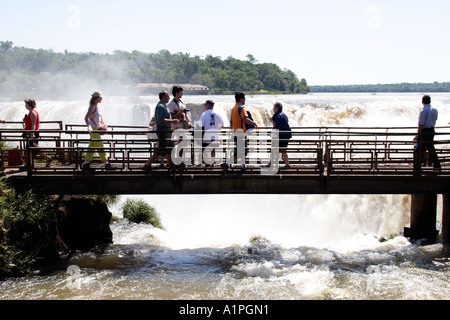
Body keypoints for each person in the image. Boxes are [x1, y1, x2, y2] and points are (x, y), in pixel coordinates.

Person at [143, 91, 180, 170]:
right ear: (163, 97)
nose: (169, 98)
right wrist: (172, 121)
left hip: (167, 130)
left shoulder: (164, 106)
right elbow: (160, 120)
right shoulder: (160, 106)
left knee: (169, 147)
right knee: (161, 149)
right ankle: (147, 164)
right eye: (167, 96)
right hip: (163, 130)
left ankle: (170, 165)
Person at [83, 91, 111, 170]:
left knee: (92, 146)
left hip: (95, 127)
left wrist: (102, 123)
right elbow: (86, 118)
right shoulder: (92, 106)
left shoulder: (95, 106)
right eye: (100, 97)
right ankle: (106, 162)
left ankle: (86, 162)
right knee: (99, 145)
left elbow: (96, 117)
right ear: (97, 98)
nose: (102, 98)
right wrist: (89, 127)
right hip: (93, 128)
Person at [230, 92, 258, 166]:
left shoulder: (233, 109)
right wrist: (253, 123)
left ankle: (230, 162)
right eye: (244, 98)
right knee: (243, 149)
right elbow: (245, 118)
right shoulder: (241, 108)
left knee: (238, 148)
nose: (245, 100)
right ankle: (243, 164)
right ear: (241, 99)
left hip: (235, 131)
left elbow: (231, 121)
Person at [23, 99, 53, 167]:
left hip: (32, 133)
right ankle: (28, 163)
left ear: (29, 105)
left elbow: (33, 124)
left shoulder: (33, 113)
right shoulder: (30, 112)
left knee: (34, 148)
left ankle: (48, 158)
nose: (25, 105)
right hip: (29, 133)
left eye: (26, 104)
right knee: (31, 149)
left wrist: (32, 133)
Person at [414, 94, 440, 169]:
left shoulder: (423, 111)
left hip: (425, 131)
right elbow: (435, 120)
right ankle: (437, 165)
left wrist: (417, 135)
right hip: (431, 130)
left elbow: (420, 124)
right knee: (431, 148)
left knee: (419, 149)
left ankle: (417, 167)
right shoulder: (435, 110)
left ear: (422, 102)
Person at [199, 100, 224, 166]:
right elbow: (222, 123)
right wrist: (217, 129)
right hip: (215, 136)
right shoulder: (217, 113)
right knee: (213, 151)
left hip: (206, 136)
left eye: (205, 105)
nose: (204, 106)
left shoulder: (204, 114)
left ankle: (207, 163)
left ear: (208, 105)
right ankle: (212, 164)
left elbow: (200, 125)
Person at [270, 102, 292, 167]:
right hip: (286, 135)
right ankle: (287, 164)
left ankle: (271, 163)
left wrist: (272, 121)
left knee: (274, 149)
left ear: (277, 108)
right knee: (283, 150)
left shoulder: (277, 116)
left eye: (274, 107)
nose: (273, 109)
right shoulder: (284, 115)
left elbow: (276, 126)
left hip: (281, 135)